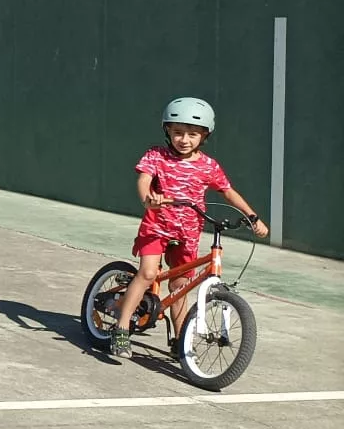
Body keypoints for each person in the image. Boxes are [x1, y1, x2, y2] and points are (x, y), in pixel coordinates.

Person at [109, 96, 267, 359]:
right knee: (148, 273)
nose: (184, 139)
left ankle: (179, 338)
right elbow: (144, 180)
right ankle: (121, 327)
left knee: (180, 286)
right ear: (167, 131)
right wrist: (148, 199)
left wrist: (253, 217)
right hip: (157, 226)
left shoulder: (209, 166)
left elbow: (228, 191)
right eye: (178, 132)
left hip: (188, 232)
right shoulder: (157, 156)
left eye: (193, 134)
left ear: (204, 136)